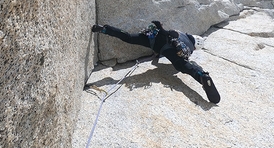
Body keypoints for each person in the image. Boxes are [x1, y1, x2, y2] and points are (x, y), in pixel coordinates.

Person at [92, 21, 220, 103]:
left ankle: (104, 29)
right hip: (168, 49)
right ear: (196, 46)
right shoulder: (188, 48)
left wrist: (157, 54)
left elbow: (169, 34)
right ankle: (201, 76)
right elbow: (180, 59)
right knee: (183, 66)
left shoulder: (182, 34)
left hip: (154, 37)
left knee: (129, 37)